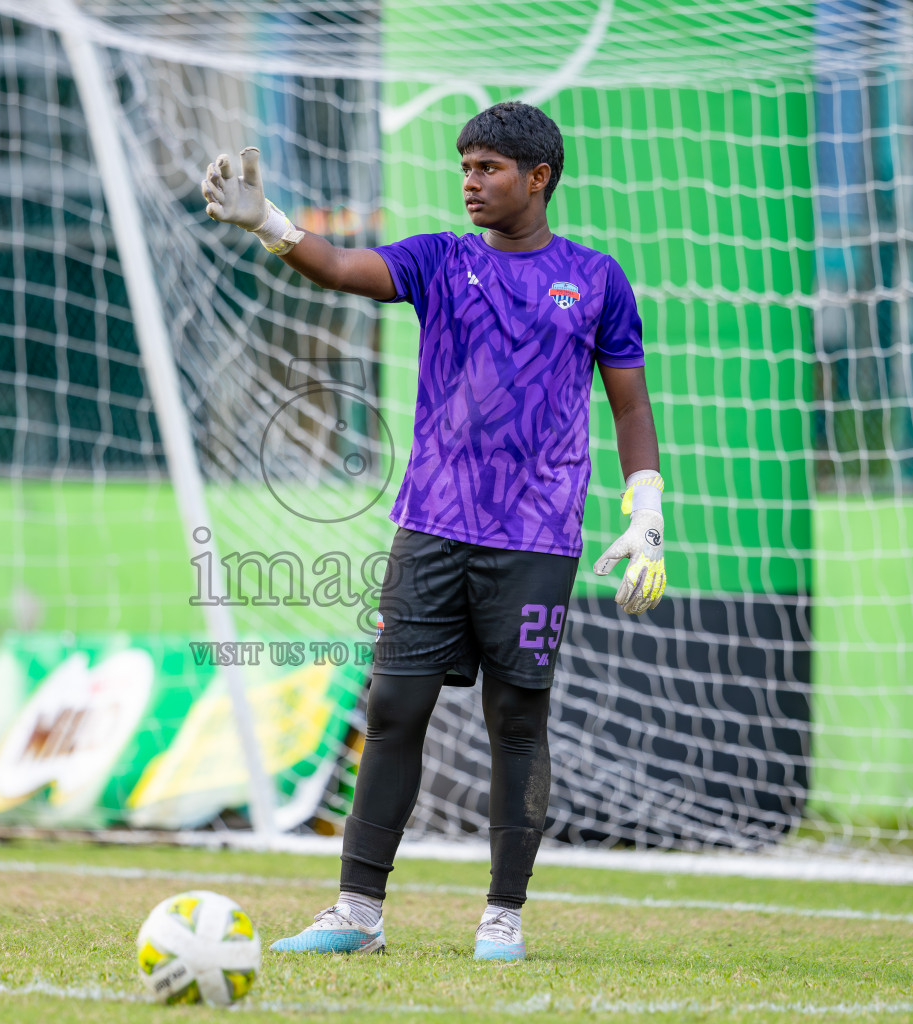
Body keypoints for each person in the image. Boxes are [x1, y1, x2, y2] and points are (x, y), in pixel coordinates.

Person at [200, 101, 666, 962]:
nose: (470, 183)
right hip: (432, 527)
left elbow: (629, 401)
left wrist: (648, 510)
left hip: (537, 538)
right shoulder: (440, 262)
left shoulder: (596, 279)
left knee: (517, 719)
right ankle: (357, 912)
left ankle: (503, 918)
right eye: (463, 167)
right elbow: (340, 266)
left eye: (487, 168)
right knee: (393, 708)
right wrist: (267, 222)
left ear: (539, 177)